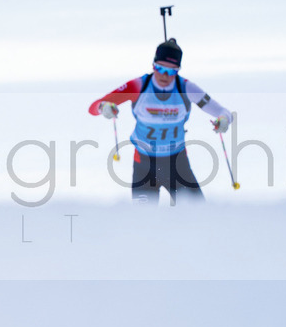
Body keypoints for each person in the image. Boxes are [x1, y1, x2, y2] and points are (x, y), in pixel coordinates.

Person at [89, 38, 233, 204]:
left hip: (177, 165)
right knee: (143, 218)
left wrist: (223, 120)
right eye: (160, 68)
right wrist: (104, 107)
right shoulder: (139, 86)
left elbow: (223, 112)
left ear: (178, 70)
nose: (165, 75)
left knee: (198, 215)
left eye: (171, 71)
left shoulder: (186, 88)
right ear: (153, 65)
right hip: (144, 166)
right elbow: (93, 107)